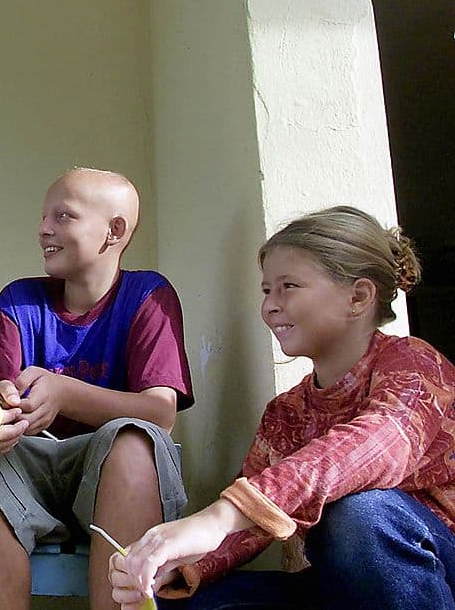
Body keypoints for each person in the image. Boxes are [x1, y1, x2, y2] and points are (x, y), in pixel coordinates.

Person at [109, 205, 455, 610]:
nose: (270, 305)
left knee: (361, 512)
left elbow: (379, 444)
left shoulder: (414, 364)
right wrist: (173, 565)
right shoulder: (286, 413)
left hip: (438, 571)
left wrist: (218, 517)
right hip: (342, 587)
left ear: (358, 296)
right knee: (186, 603)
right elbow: (251, 528)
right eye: (266, 290)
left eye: (288, 286)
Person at [0, 168, 194, 609]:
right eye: (44, 216)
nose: (43, 228)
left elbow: (161, 413)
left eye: (63, 216)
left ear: (114, 231)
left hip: (111, 474)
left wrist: (65, 393)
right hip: (26, 472)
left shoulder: (148, 295)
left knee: (135, 444)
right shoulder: (17, 302)